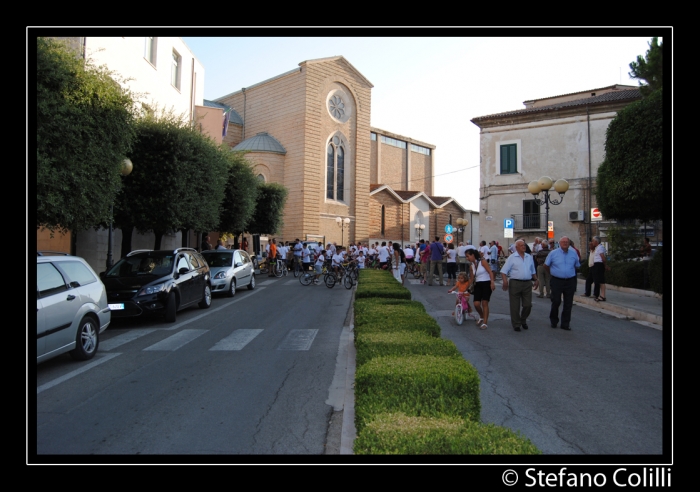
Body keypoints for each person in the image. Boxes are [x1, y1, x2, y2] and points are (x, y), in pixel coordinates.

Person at [500, 239, 538, 332]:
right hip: (515, 283)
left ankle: (523, 319)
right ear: (516, 248)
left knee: (528, 305)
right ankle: (516, 324)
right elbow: (504, 271)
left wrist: (536, 279)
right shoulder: (512, 258)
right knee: (515, 306)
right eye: (521, 245)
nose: (523, 246)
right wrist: (505, 282)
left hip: (527, 283)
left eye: (524, 245)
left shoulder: (529, 257)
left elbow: (532, 271)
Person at [545, 236, 580, 330]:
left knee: (568, 303)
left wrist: (569, 273)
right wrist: (553, 273)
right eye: (563, 242)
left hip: (570, 281)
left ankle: (565, 324)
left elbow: (577, 265)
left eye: (566, 242)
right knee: (556, 301)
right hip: (557, 280)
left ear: (569, 243)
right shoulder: (553, 253)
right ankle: (554, 320)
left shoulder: (573, 253)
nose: (565, 243)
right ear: (559, 243)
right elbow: (546, 265)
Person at [466, 248, 495, 329]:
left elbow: (490, 272)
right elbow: (471, 278)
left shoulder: (483, 262)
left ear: (473, 255)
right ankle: (481, 316)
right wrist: (466, 288)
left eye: (468, 256)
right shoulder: (471, 266)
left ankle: (485, 323)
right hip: (477, 284)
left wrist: (492, 282)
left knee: (485, 303)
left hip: (486, 283)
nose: (467, 258)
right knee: (476, 304)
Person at [590, 236, 610, 302]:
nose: (592, 242)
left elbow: (603, 258)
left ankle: (602, 295)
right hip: (597, 264)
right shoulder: (597, 248)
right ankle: (601, 295)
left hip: (599, 264)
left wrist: (605, 265)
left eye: (593, 241)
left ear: (596, 242)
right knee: (599, 280)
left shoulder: (600, 248)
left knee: (601, 280)